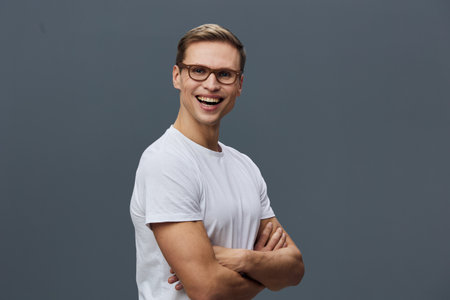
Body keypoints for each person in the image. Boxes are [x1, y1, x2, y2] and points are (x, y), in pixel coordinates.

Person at [130, 24, 304, 300]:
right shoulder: (166, 162)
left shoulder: (244, 166)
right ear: (177, 76)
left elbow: (294, 269)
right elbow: (208, 290)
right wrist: (264, 276)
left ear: (239, 85)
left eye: (224, 74)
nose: (211, 85)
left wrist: (241, 260)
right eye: (198, 70)